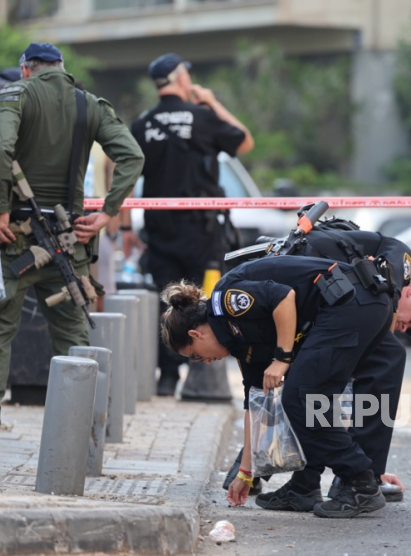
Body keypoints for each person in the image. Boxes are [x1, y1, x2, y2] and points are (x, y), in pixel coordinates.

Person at [161, 255, 411, 518]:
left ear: (196, 334)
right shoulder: (239, 342)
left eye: (196, 355)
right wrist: (245, 472)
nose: (205, 362)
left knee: (301, 398)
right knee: (311, 399)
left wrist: (282, 358)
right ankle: (304, 487)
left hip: (353, 304)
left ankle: (361, 483)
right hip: (358, 307)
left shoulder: (226, 301)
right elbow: (255, 403)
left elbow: (283, 297)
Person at [0, 43, 144, 458]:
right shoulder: (89, 105)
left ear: (26, 70)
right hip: (70, 241)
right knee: (72, 335)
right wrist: (107, 213)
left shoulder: (16, 94)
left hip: (13, 235)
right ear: (61, 69)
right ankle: (82, 438)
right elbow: (132, 155)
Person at [223, 223, 411, 501]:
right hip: (311, 306)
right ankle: (359, 477)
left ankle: (310, 481)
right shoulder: (400, 268)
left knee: (318, 386)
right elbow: (399, 249)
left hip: (315, 309)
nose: (406, 328)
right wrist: (386, 284)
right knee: (385, 357)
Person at [127, 53, 254, 397]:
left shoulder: (142, 123)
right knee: (207, 300)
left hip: (160, 230)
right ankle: (205, 377)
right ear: (181, 79)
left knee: (167, 302)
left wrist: (124, 228)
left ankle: (167, 377)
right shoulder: (203, 117)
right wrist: (212, 102)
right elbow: (244, 140)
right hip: (203, 233)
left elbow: (122, 171)